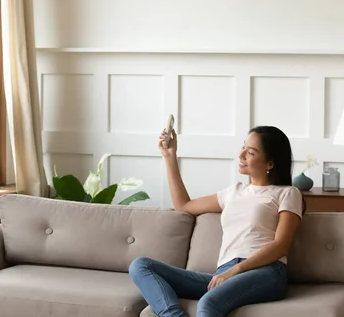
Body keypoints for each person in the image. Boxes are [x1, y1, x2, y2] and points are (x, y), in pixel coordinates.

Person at [129, 125, 304, 317]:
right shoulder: (233, 192)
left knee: (208, 302)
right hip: (224, 273)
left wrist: (235, 271)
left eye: (251, 152)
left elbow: (281, 246)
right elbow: (184, 205)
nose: (241, 154)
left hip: (266, 271)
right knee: (141, 266)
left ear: (270, 163)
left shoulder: (287, 193)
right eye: (243, 147)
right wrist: (170, 156)